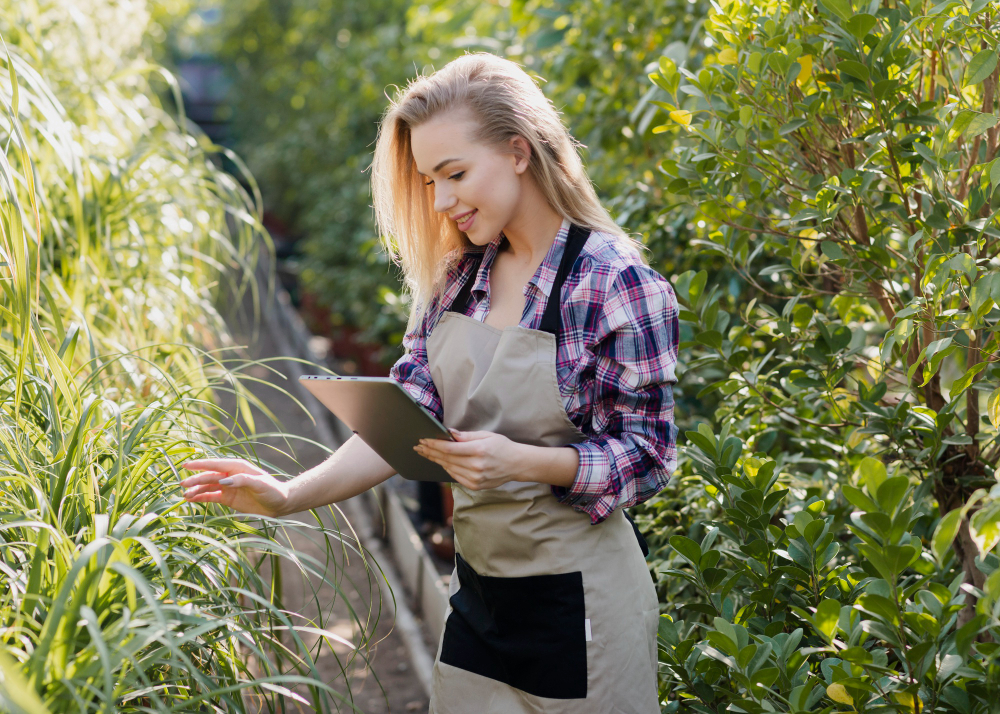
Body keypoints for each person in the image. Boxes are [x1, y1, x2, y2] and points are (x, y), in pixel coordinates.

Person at [179, 52, 679, 713]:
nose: (441, 201)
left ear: (519, 151)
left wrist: (522, 462)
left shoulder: (613, 282)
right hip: (478, 601)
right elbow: (404, 420)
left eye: (455, 174)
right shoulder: (460, 279)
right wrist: (288, 495)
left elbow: (649, 455)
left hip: (583, 610)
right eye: (429, 181)